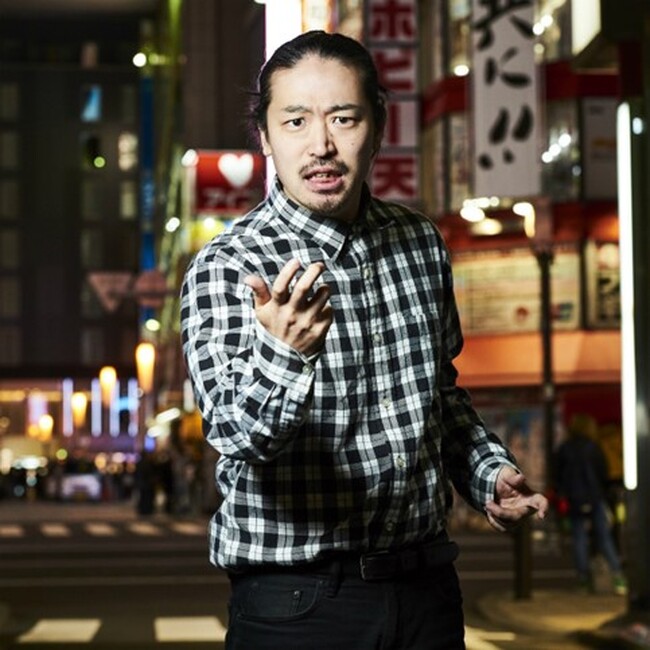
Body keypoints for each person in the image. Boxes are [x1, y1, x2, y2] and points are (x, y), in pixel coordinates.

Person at [180, 30, 548, 650]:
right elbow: (234, 435)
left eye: (343, 118)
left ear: (376, 128)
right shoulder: (228, 264)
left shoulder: (419, 241)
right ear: (265, 137)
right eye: (295, 121)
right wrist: (285, 355)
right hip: (298, 603)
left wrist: (487, 474)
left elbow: (439, 394)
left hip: (427, 587)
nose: (321, 144)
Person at [555, 414, 627, 595]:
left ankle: (583, 579)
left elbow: (558, 475)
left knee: (579, 538)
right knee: (604, 537)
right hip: (595, 497)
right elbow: (603, 472)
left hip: (574, 499)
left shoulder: (565, 448)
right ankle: (618, 576)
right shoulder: (594, 448)